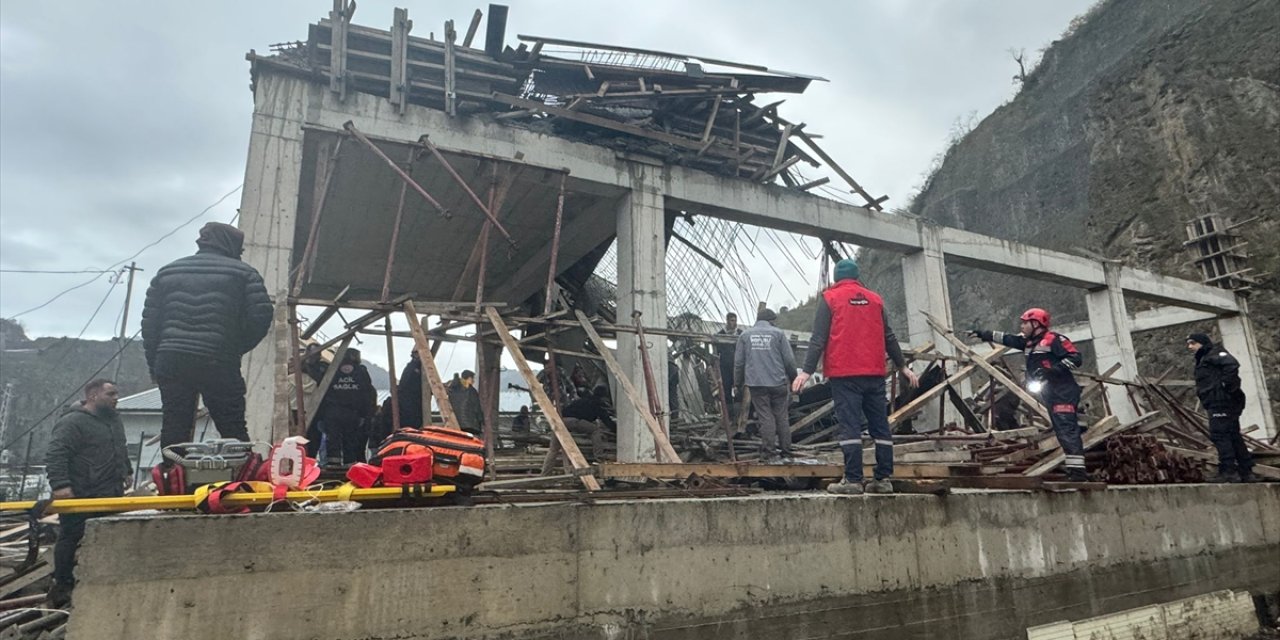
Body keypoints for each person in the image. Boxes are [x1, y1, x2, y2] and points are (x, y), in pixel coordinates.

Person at [142, 222, 272, 449]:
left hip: (171, 359)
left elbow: (150, 326)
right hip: (218, 359)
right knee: (232, 426)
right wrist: (233, 347)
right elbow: (261, 317)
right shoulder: (245, 274)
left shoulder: (167, 272)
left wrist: (155, 365)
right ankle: (241, 479)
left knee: (174, 426)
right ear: (231, 246)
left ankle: (174, 478)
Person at [793, 259, 919, 495]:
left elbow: (818, 339)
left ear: (837, 278)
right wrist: (902, 367)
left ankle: (852, 480)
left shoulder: (830, 299)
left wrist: (807, 371)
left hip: (845, 374)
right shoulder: (875, 300)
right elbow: (888, 336)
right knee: (880, 425)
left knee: (849, 425)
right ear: (857, 276)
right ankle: (883, 479)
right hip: (874, 373)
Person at [971, 308, 1087, 482]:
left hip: (1063, 391)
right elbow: (1008, 338)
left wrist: (1053, 370)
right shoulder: (1028, 343)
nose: (1022, 326)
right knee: (1062, 430)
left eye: (1025, 323)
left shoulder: (1054, 340)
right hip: (1051, 392)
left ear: (1036, 324)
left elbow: (1076, 358)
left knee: (1067, 430)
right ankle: (1074, 470)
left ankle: (1078, 473)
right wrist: (983, 334)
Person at [43, 379, 130, 607]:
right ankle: (62, 584)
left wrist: (126, 471)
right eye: (110, 394)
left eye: (116, 394)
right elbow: (56, 454)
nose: (116, 398)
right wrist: (61, 485)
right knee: (71, 537)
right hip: (82, 493)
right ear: (93, 396)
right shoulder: (73, 422)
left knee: (108, 535)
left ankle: (99, 580)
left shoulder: (113, 421)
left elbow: (120, 447)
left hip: (110, 492)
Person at [1186, 333, 1255, 482]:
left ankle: (1228, 471)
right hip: (1218, 401)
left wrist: (1226, 387)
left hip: (1221, 402)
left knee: (1220, 435)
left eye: (1192, 343)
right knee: (1233, 435)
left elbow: (1231, 364)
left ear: (1202, 343)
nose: (1190, 347)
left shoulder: (1215, 353)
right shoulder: (1204, 358)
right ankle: (1246, 471)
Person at [735, 308, 798, 461]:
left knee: (765, 417)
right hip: (778, 383)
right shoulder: (778, 334)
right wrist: (794, 378)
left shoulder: (745, 335)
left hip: (757, 384)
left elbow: (739, 363)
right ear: (771, 321)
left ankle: (769, 453)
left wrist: (737, 383)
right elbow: (789, 361)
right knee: (782, 416)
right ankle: (786, 451)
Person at [315, 348, 377, 466]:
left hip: (332, 411)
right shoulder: (361, 371)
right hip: (353, 412)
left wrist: (321, 415)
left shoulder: (331, 370)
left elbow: (321, 391)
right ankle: (350, 463)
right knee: (350, 438)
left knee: (332, 438)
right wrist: (364, 415)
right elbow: (367, 394)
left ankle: (333, 463)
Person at [561, 385, 615, 461]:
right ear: (603, 397)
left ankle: (546, 471)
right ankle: (599, 456)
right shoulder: (597, 404)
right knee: (595, 430)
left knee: (553, 449)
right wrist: (617, 431)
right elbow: (607, 421)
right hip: (573, 421)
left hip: (560, 421)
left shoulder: (584, 400)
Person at [715, 312, 742, 405]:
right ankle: (729, 412)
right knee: (726, 388)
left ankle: (739, 409)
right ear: (727, 321)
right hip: (725, 366)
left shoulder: (740, 334)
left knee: (740, 388)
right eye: (731, 320)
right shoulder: (720, 334)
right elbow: (716, 351)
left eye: (735, 320)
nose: (733, 323)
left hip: (738, 366)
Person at [447, 370, 484, 435]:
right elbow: (476, 407)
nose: (473, 381)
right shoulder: (471, 391)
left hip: (455, 421)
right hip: (469, 424)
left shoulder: (452, 388)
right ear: (469, 378)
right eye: (473, 379)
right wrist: (481, 420)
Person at [397, 350, 424, 428]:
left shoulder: (418, 367)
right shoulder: (411, 367)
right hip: (410, 403)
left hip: (415, 402)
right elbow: (404, 385)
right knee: (411, 422)